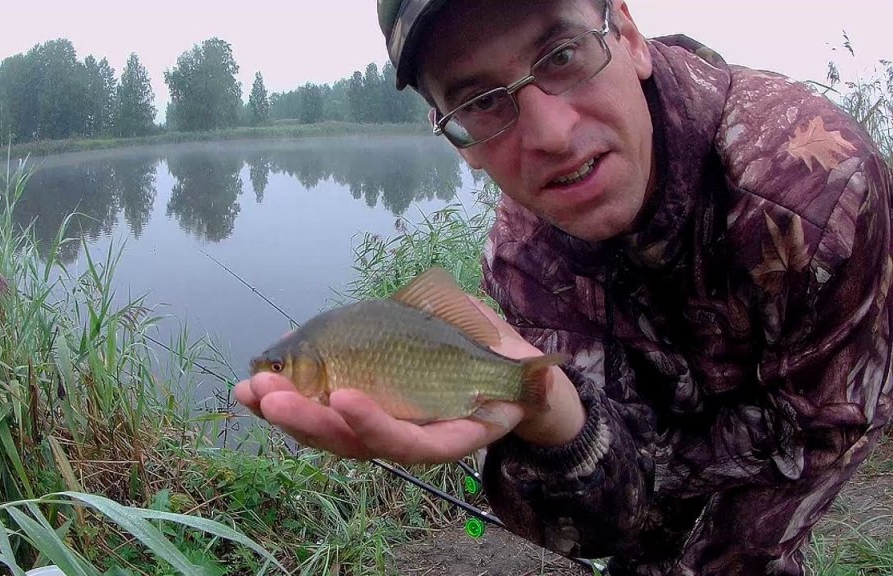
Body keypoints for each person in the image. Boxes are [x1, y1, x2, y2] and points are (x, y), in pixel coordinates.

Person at [236, 0, 893, 573]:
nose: (551, 135)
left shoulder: (819, 196)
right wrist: (556, 420)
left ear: (628, 35)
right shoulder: (523, 257)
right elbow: (618, 512)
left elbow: (812, 456)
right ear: (458, 140)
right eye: (482, 101)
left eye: (561, 53)